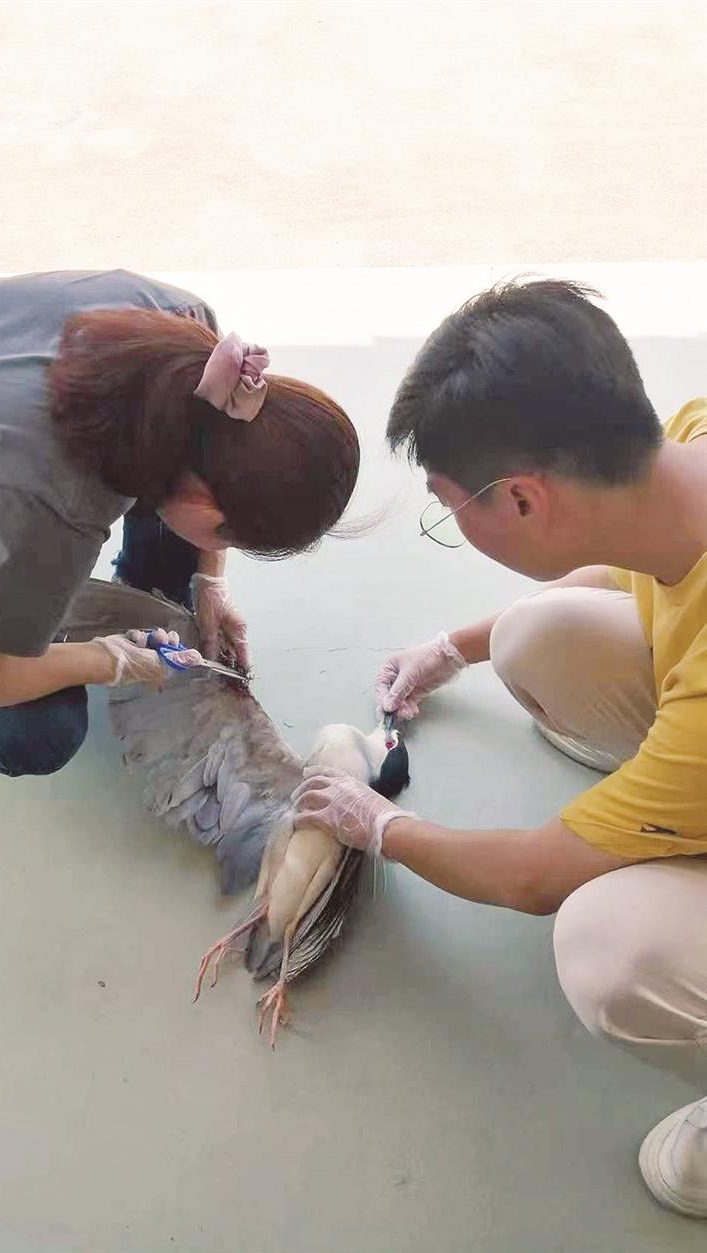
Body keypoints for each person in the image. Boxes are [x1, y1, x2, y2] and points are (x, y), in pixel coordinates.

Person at [292, 279, 706, 1218]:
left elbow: (532, 878)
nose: (457, 525)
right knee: (534, 631)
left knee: (615, 950)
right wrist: (457, 646)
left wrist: (379, 823)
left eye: (450, 505)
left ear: (521, 497)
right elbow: (630, 559)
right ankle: (669, 804)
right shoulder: (688, 442)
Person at [0, 269, 359, 777]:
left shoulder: (191, 335)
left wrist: (210, 579)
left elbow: (215, 471)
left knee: (157, 549)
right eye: (228, 538)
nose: (220, 548)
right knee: (38, 736)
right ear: (215, 513)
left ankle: (17, 591)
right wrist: (102, 659)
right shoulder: (48, 504)